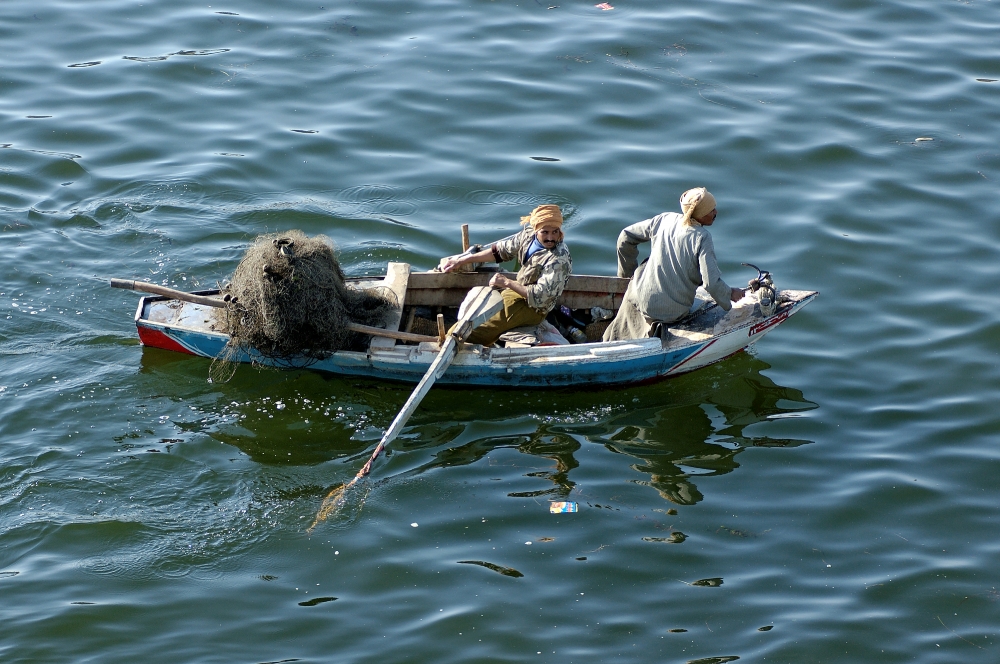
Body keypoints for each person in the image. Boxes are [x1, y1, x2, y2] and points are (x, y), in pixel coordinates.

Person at [603, 187, 745, 342]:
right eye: (711, 210)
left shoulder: (664, 219)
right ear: (700, 214)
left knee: (646, 264)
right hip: (670, 314)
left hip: (638, 298)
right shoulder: (703, 238)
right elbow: (710, 283)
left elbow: (625, 237)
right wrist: (730, 294)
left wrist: (627, 278)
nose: (716, 212)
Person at [439, 204, 572, 346]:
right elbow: (501, 251)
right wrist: (463, 260)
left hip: (533, 308)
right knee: (474, 312)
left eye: (555, 232)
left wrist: (507, 283)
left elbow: (541, 298)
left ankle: (452, 343)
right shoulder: (527, 235)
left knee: (477, 330)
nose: (550, 238)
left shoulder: (558, 260)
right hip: (517, 291)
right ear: (535, 230)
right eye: (545, 232)